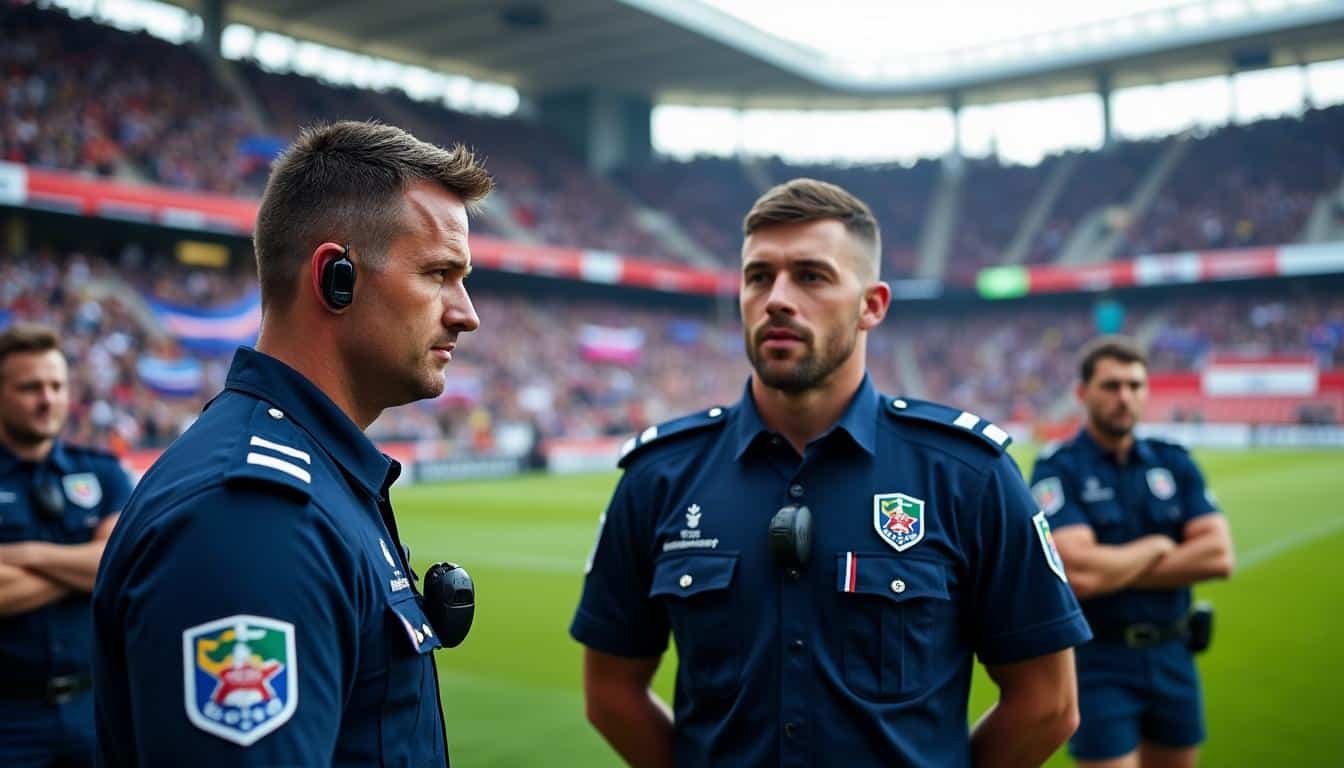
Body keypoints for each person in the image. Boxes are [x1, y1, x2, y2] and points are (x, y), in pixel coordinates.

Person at [571, 178, 1092, 768]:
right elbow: (611, 690)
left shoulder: (968, 473)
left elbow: (1049, 702)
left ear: (872, 305)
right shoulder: (660, 475)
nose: (777, 299)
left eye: (811, 276)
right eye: (758, 276)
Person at [92, 121, 492, 766]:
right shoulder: (249, 521)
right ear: (336, 276)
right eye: (439, 273)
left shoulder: (312, 479)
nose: (466, 312)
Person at [1029, 336, 1235, 768]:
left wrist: (1115, 566)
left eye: (1135, 385)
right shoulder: (1058, 467)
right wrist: (1160, 546)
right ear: (1082, 393)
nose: (1124, 397)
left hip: (1173, 653)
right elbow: (1078, 572)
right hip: (1101, 661)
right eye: (1111, 386)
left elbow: (1218, 555)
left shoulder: (1173, 461)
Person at [0, 323, 132, 767]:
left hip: (92, 711)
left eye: (56, 386)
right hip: (9, 718)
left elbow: (119, 565)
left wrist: (24, 556)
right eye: (30, 387)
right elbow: (103, 568)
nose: (48, 399)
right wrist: (83, 570)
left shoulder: (102, 472)